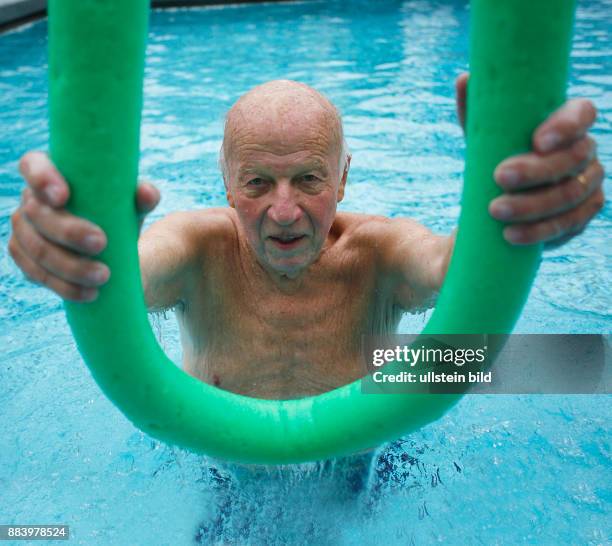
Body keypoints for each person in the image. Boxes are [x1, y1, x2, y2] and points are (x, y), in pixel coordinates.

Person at [8, 77, 605, 402]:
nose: (285, 211)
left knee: (569, 366)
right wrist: (75, 246)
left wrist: (513, 207)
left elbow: (456, 270)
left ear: (343, 177)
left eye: (310, 179)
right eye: (258, 183)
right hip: (228, 470)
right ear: (225, 182)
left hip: (366, 456)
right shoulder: (196, 251)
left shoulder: (379, 252)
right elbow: (125, 277)